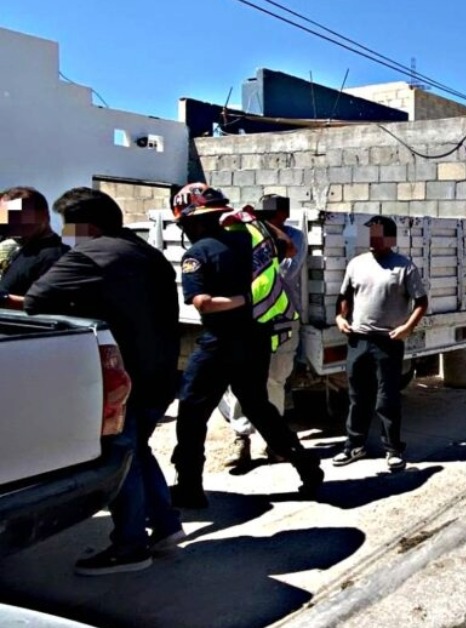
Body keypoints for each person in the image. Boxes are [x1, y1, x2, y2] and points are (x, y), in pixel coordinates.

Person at [24, 188, 183, 575]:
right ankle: (165, 526)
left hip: (121, 377)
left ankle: (130, 546)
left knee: (117, 457)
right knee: (137, 450)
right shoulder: (148, 253)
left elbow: (34, 301)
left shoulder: (90, 254)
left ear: (87, 226)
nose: (66, 235)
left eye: (69, 227)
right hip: (160, 373)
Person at [169, 183, 322, 508]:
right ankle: (305, 465)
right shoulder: (250, 240)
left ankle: (189, 487)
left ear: (190, 222)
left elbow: (203, 303)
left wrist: (242, 299)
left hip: (218, 344)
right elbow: (288, 249)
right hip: (255, 340)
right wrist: (258, 222)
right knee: (258, 406)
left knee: (192, 411)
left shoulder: (197, 254)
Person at [333, 215, 428, 471]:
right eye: (369, 234)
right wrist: (340, 317)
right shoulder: (356, 264)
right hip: (358, 340)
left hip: (388, 342)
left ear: (390, 238)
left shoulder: (404, 266)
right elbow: (345, 295)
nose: (371, 240)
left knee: (387, 399)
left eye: (377, 235)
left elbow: (421, 302)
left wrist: (407, 328)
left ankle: (393, 449)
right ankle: (355, 445)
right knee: (357, 397)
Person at [219, 194, 306, 468]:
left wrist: (266, 229)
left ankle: (274, 442)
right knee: (240, 380)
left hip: (281, 318)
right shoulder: (244, 233)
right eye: (262, 213)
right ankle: (241, 438)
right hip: (246, 318)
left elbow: (285, 271)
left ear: (284, 215)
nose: (265, 218)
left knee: (274, 380)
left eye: (272, 214)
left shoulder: (293, 236)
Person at [0, 187, 70, 309]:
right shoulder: (25, 248)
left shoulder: (55, 256)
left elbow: (52, 305)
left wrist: (4, 300)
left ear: (44, 215)